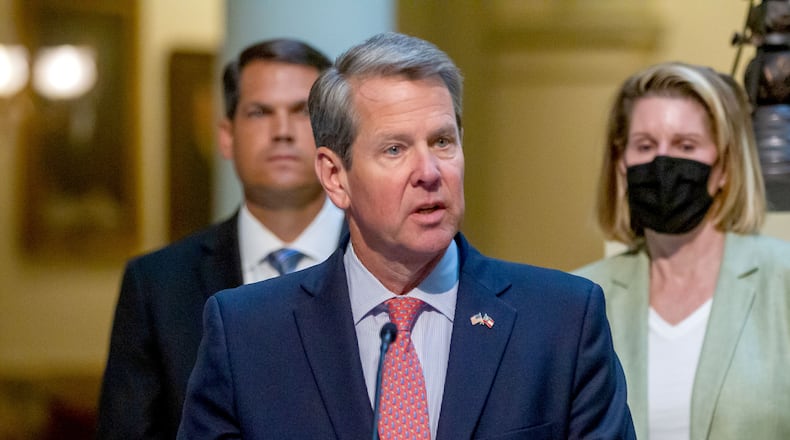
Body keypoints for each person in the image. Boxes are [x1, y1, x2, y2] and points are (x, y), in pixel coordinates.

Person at [177, 32, 635, 440]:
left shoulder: (562, 321)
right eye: (395, 149)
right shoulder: (247, 334)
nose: (430, 172)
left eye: (442, 142)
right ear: (335, 176)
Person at [97, 39, 346, 439]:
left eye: (302, 112)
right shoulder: (157, 286)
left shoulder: (388, 263)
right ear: (227, 136)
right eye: (260, 112)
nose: (282, 131)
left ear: (335, 137)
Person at [574, 62, 790, 439]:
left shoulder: (781, 280)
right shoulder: (581, 298)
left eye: (685, 145)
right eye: (644, 146)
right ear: (621, 164)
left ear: (723, 166)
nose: (662, 162)